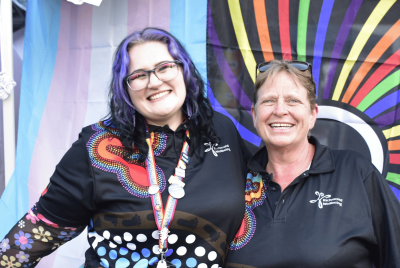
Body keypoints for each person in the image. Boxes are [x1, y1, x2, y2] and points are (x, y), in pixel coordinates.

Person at [1, 28, 251, 268]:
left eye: (165, 67)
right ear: (125, 89)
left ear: (184, 71)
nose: (155, 82)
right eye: (139, 75)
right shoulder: (97, 145)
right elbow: (39, 231)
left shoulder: (221, 129)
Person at [225, 60, 400, 268]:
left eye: (293, 101)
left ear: (312, 115)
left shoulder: (357, 174)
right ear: (254, 115)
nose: (280, 110)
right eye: (269, 101)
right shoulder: (235, 183)